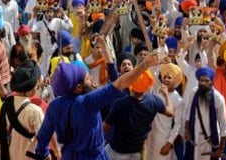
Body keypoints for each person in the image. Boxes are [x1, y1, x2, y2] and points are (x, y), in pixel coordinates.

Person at [32, 51, 166, 160]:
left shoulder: (54, 105)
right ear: (78, 87)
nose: (90, 78)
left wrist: (43, 154)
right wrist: (145, 64)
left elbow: (43, 137)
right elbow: (120, 83)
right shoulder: (89, 102)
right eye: (87, 78)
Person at [104, 70, 173, 159]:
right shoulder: (154, 101)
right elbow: (170, 112)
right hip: (135, 153)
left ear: (131, 84)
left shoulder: (120, 104)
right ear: (148, 86)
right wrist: (166, 95)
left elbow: (105, 128)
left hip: (116, 153)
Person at [0, 60, 50, 160]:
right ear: (33, 87)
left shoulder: (5, 105)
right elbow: (43, 140)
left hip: (10, 155)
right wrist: (46, 155)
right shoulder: (35, 111)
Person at [184, 66, 226, 160]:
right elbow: (188, 112)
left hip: (210, 140)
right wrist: (187, 130)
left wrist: (221, 149)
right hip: (194, 137)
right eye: (201, 80)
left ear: (212, 82)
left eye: (206, 81)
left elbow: (223, 123)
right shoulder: (193, 92)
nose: (203, 83)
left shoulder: (218, 98)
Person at [145, 63, 185, 160]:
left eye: (169, 77)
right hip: (150, 136)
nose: (166, 79)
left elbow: (178, 124)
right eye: (165, 77)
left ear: (175, 81)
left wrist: (169, 143)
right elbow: (152, 72)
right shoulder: (157, 90)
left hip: (163, 138)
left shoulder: (178, 100)